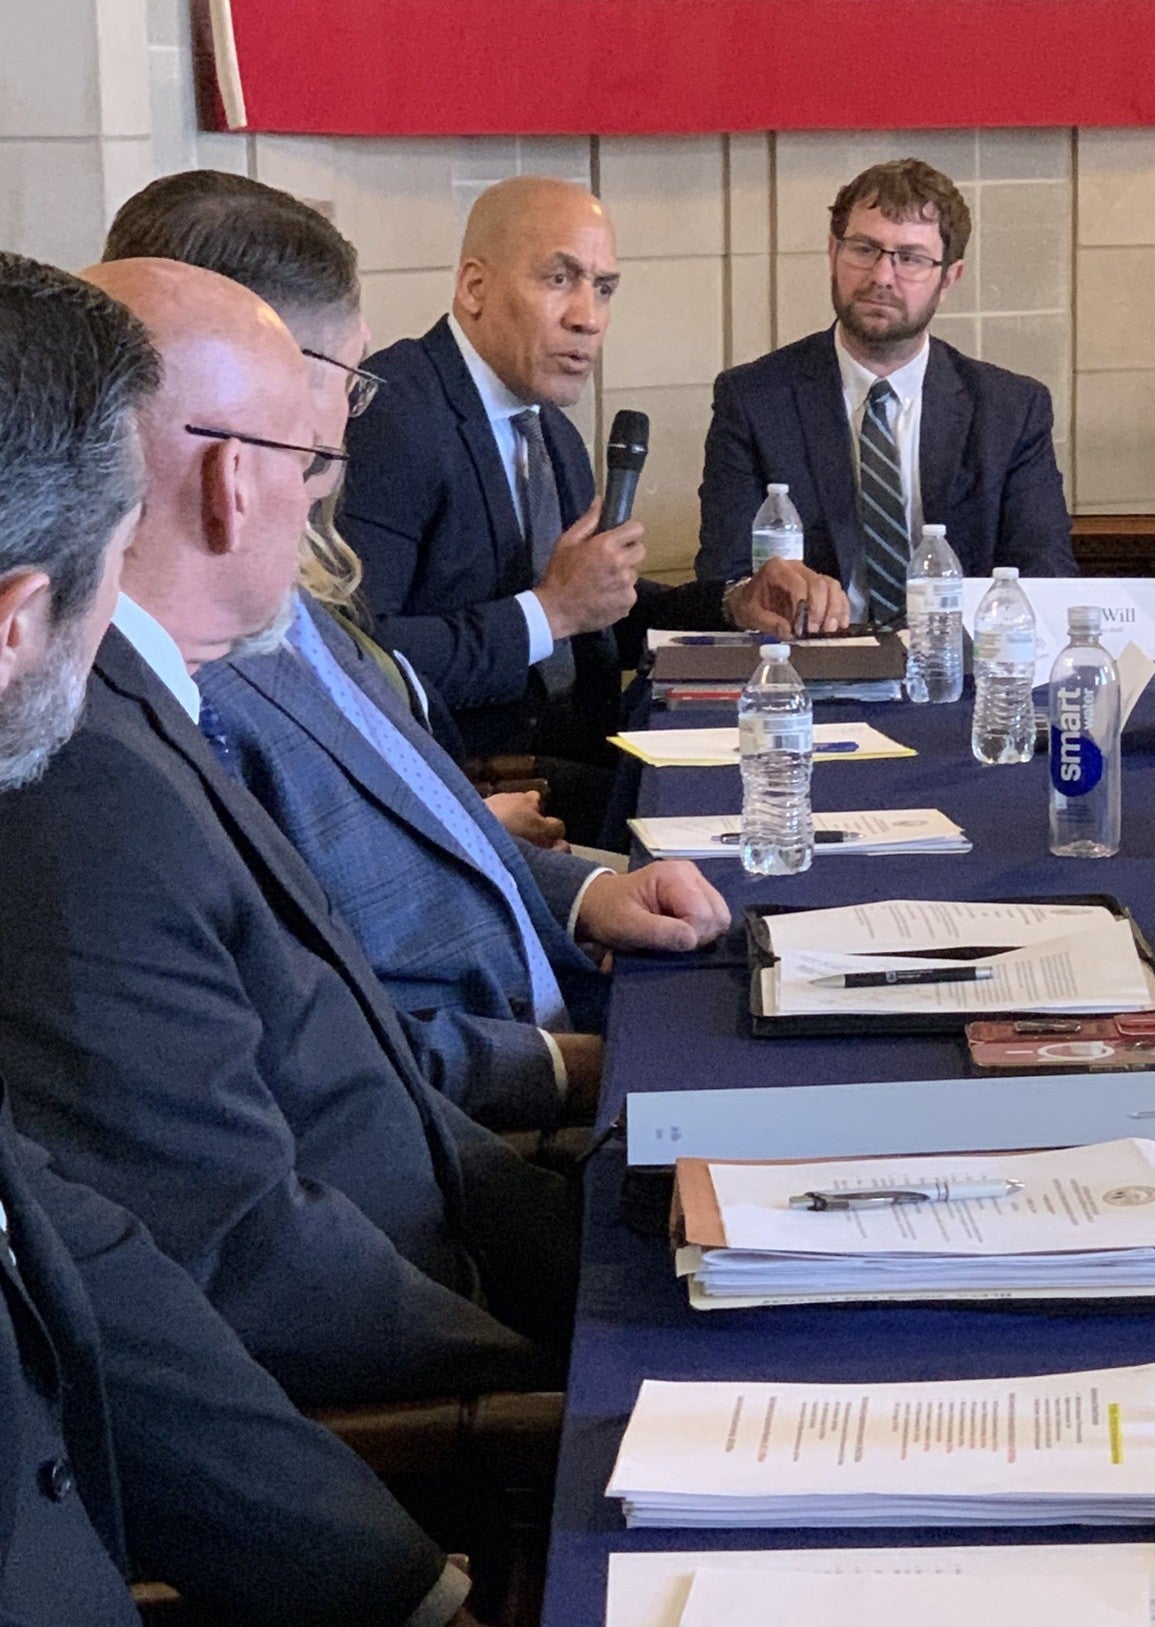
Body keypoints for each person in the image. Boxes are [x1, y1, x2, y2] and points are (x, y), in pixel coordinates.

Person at [0, 256, 580, 1414]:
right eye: (310, 464)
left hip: (460, 1248)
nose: (321, 504)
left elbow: (370, 1089)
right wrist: (549, 1391)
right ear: (231, 481)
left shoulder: (150, 702)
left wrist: (605, 1259)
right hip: (407, 1389)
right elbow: (240, 1251)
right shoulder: (79, 773)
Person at [103, 170, 732, 1135]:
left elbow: (412, 802)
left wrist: (589, 894)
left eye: (604, 287)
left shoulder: (286, 598)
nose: (335, 447)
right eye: (342, 381)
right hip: (484, 1099)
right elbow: (315, 1041)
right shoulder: (180, 673)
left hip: (542, 969)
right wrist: (567, 1069)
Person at [336, 176, 848, 824]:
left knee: (804, 785)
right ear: (474, 287)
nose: (589, 317)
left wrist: (735, 603)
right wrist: (549, 612)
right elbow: (357, 655)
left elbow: (597, 615)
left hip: (589, 755)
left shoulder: (548, 426)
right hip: (468, 790)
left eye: (604, 288)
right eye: (560, 279)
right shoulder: (395, 414)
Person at [695, 158, 1076, 617]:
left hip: (959, 651)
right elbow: (725, 577)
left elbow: (1045, 576)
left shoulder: (1010, 410)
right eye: (863, 249)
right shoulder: (754, 398)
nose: (881, 277)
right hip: (813, 652)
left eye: (910, 258)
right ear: (833, 253)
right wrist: (748, 598)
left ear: (949, 277)